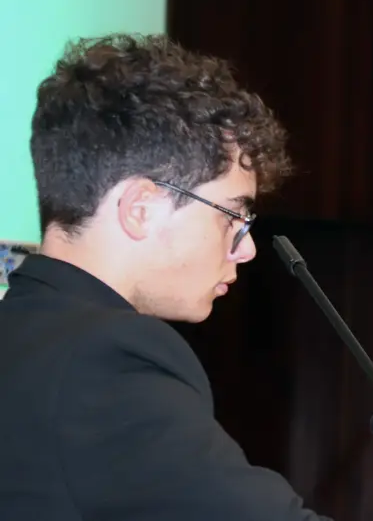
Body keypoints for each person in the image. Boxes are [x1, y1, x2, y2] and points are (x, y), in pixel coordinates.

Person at [0, 34, 332, 520]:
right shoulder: (107, 360)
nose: (247, 247)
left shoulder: (21, 335)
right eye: (231, 216)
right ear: (141, 208)